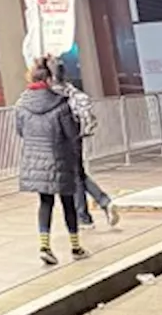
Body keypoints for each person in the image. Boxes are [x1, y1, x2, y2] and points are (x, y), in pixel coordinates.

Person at [16, 58, 89, 265]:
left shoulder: (21, 106)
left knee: (45, 203)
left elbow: (20, 131)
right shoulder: (60, 103)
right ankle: (75, 246)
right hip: (60, 157)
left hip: (36, 161)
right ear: (48, 79)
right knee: (68, 203)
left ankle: (45, 245)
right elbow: (71, 133)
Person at [48, 63, 120, 229]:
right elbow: (88, 115)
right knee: (78, 174)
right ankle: (100, 205)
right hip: (77, 138)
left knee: (73, 177)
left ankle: (86, 215)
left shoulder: (52, 95)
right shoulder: (73, 92)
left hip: (61, 139)